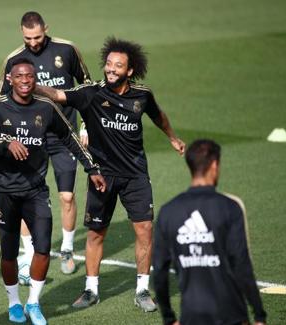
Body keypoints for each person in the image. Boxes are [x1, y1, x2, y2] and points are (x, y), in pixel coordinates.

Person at [34, 37, 185, 311]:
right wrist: (30, 85)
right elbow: (58, 95)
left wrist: (172, 138)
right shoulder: (92, 92)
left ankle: (141, 290)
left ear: (130, 71)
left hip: (136, 175)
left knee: (145, 230)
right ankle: (91, 290)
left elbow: (158, 115)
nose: (111, 69)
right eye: (108, 64)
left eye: (118, 66)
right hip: (102, 176)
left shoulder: (142, 95)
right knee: (96, 233)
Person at [0, 58, 105, 325]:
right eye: (20, 76)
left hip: (36, 189)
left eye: (30, 77)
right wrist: (6, 143)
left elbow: (69, 137)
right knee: (9, 252)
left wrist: (91, 168)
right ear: (10, 79)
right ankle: (14, 303)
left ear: (35, 79)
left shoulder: (46, 107)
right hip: (3, 190)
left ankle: (33, 303)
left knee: (44, 249)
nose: (25, 81)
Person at [0, 11, 92, 277]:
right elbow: (1, 102)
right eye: (28, 38)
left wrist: (86, 126)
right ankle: (28, 257)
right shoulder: (13, 61)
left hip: (63, 137)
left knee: (67, 196)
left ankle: (68, 249)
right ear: (21, 33)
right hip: (30, 140)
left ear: (46, 29)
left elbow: (88, 88)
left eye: (37, 37)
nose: (34, 42)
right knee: (26, 197)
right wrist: (8, 138)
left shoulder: (67, 49)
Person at [153, 139, 267, 325]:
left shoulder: (168, 212)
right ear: (214, 165)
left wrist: (168, 318)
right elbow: (241, 264)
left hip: (191, 316)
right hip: (231, 316)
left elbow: (159, 272)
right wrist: (259, 315)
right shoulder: (230, 207)